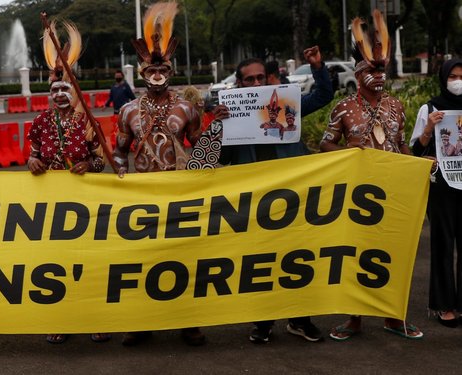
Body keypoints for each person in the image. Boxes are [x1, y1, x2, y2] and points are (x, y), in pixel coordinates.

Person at [216, 46, 333, 344]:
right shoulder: (232, 113)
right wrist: (220, 125)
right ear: (238, 84)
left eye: (260, 79)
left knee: (297, 259)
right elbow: (226, 159)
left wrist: (318, 67)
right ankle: (263, 322)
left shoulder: (286, 104)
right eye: (248, 80)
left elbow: (322, 96)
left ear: (269, 79)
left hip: (293, 198)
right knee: (259, 262)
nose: (256, 85)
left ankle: (300, 319)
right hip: (255, 201)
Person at [113, 2, 212, 346]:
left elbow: (201, 151)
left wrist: (223, 132)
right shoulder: (127, 110)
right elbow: (119, 152)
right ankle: (142, 323)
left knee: (184, 257)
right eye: (151, 70)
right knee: (142, 260)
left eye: (163, 69)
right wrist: (119, 179)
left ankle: (189, 321)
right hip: (141, 197)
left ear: (170, 71)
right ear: (141, 73)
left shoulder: (187, 107)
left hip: (180, 193)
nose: (157, 74)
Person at [320, 10, 422, 340]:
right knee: (356, 252)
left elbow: (401, 144)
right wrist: (352, 155)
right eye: (371, 69)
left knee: (394, 252)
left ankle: (393, 316)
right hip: (358, 194)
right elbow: (325, 144)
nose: (378, 75)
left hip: (392, 191)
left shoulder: (396, 106)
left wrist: (418, 169)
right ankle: (355, 318)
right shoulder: (344, 107)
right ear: (358, 70)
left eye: (382, 70)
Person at [28, 21, 108, 344]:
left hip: (85, 205)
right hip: (51, 207)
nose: (60, 95)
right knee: (56, 263)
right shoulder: (39, 123)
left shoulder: (88, 122)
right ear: (49, 95)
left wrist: (90, 163)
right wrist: (33, 162)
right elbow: (32, 157)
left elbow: (102, 160)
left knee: (87, 261)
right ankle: (60, 319)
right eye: (55, 91)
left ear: (74, 91)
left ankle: (94, 319)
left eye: (65, 90)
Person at [410, 58, 462, 328]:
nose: (457, 81)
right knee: (442, 245)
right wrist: (429, 128)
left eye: (461, 76)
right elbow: (416, 151)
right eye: (452, 76)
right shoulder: (430, 108)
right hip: (442, 186)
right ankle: (445, 306)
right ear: (443, 78)